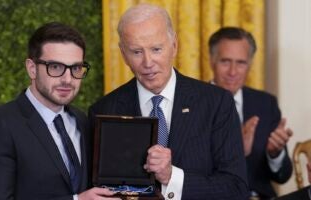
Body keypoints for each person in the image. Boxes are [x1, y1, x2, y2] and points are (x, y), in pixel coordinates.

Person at [88, 4, 249, 200]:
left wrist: (172, 177)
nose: (148, 63)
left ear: (174, 46)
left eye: (156, 49)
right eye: (137, 52)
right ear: (123, 54)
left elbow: (236, 188)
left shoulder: (216, 103)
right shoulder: (104, 110)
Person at [0, 22, 118, 200]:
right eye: (55, 67)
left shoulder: (81, 121)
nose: (67, 79)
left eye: (76, 68)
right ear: (32, 69)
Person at [208, 27, 293, 199]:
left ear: (250, 64)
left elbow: (283, 176)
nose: (233, 72)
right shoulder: (192, 103)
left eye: (241, 63)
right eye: (225, 61)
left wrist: (275, 154)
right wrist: (235, 149)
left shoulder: (265, 103)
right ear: (211, 61)